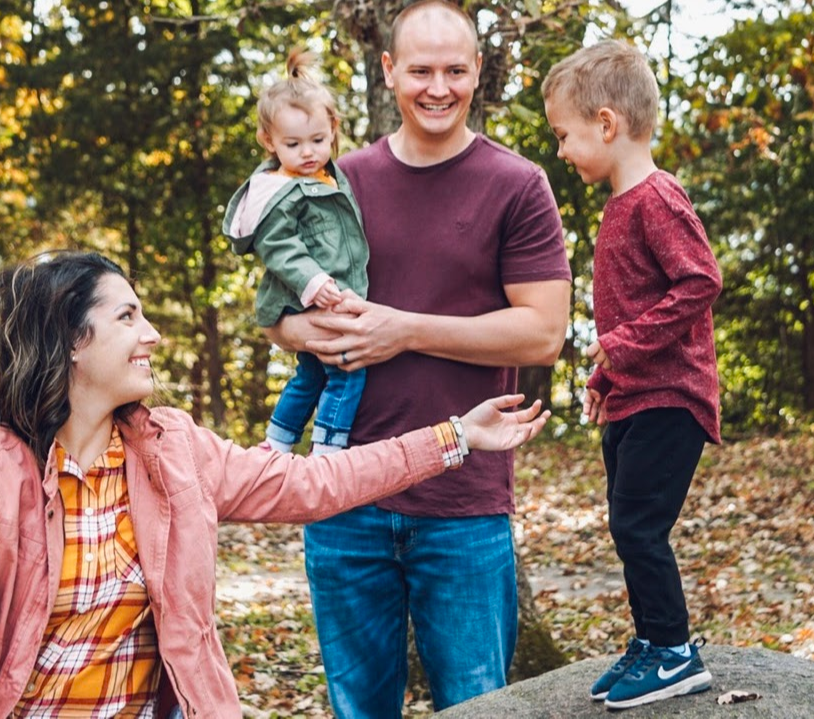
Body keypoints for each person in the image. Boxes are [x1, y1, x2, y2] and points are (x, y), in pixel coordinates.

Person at [0, 250, 552, 719]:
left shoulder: (171, 448)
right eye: (128, 317)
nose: (154, 334)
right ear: (72, 341)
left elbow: (314, 482)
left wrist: (455, 435)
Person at [265, 1, 572, 714]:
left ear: (477, 72)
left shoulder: (518, 184)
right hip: (344, 494)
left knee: (476, 704)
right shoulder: (337, 181)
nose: (439, 87)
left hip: (463, 501)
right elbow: (279, 313)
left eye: (456, 70)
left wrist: (402, 329)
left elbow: (542, 333)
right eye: (422, 70)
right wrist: (313, 334)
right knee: (358, 706)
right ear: (388, 71)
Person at [542, 39, 722, 710]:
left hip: (672, 398)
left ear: (607, 124)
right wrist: (605, 375)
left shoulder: (656, 199)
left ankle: (676, 651)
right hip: (634, 396)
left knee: (639, 526)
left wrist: (621, 344)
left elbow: (701, 280)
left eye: (565, 135)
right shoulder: (620, 204)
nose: (561, 151)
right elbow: (631, 313)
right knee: (627, 519)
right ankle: (652, 638)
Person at [223, 48, 368, 456]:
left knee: (309, 375)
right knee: (347, 370)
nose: (308, 152)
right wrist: (313, 281)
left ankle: (278, 440)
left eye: (318, 140)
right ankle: (329, 444)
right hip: (305, 298)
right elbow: (279, 245)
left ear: (334, 129)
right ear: (268, 141)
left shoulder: (330, 176)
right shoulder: (276, 191)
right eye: (293, 143)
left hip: (334, 295)